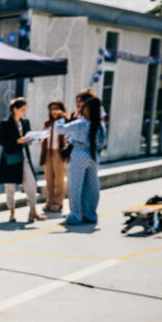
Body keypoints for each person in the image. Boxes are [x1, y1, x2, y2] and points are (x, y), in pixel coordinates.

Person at [57, 96, 107, 226]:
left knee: (76, 186)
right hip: (93, 155)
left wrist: (60, 119)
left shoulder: (80, 124)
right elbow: (102, 143)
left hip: (79, 152)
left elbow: (60, 129)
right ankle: (90, 214)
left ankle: (75, 215)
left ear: (86, 110)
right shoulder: (101, 126)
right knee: (92, 186)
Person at [0, 97, 45, 223]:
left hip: (24, 157)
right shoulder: (5, 123)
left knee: (31, 183)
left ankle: (33, 211)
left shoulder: (25, 122)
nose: (24, 112)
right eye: (22, 109)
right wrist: (17, 141)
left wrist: (30, 140)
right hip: (11, 158)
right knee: (10, 187)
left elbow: (27, 136)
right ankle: (12, 213)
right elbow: (2, 142)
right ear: (15, 109)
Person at [40, 100, 70, 213]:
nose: (54, 111)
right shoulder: (48, 123)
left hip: (59, 151)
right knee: (49, 178)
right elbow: (44, 135)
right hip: (48, 151)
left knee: (59, 178)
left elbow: (67, 136)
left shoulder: (64, 121)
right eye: (51, 109)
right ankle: (49, 201)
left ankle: (58, 202)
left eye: (56, 108)